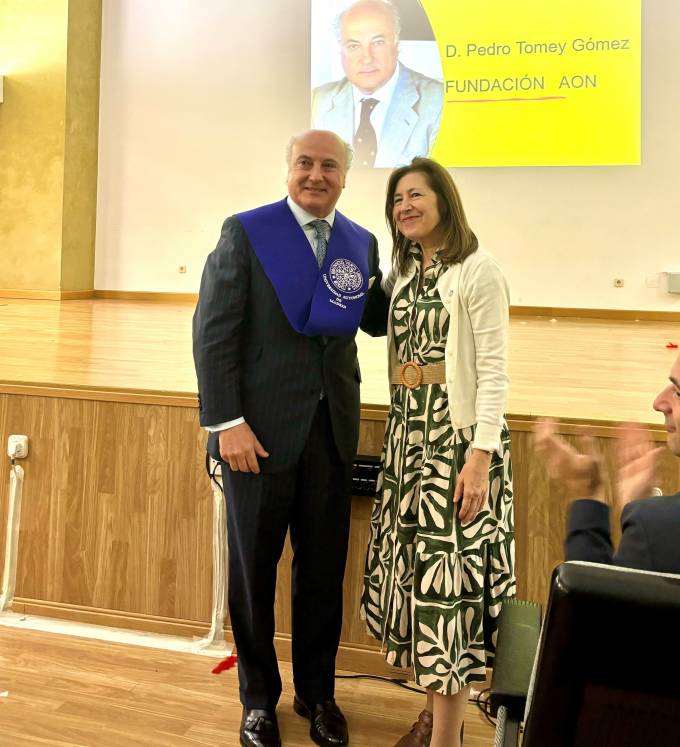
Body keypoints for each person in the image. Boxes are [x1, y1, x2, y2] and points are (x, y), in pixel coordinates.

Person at [192, 130, 388, 747]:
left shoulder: (360, 242)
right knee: (253, 573)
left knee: (323, 572)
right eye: (305, 163)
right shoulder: (248, 232)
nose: (316, 175)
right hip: (257, 437)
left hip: (330, 436)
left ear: (345, 176)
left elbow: (374, 320)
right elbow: (212, 332)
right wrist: (226, 423)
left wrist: (426, 269)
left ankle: (317, 694)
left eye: (329, 165)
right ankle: (257, 699)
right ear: (289, 170)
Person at [362, 158, 515, 747]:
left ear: (444, 201)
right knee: (420, 586)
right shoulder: (405, 270)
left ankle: (446, 738)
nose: (404, 206)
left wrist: (480, 457)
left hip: (456, 445)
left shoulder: (478, 270)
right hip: (408, 439)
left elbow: (495, 372)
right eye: (397, 198)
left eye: (416, 195)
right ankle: (434, 718)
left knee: (445, 591)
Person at [534, 352, 680, 573]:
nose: (659, 402)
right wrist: (642, 506)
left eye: (678, 392)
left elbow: (588, 593)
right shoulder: (655, 523)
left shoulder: (657, 526)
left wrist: (588, 495)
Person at [312, 0, 443, 169]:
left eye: (378, 42)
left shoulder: (437, 101)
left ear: (397, 44)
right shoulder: (317, 101)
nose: (367, 58)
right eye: (353, 45)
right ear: (341, 51)